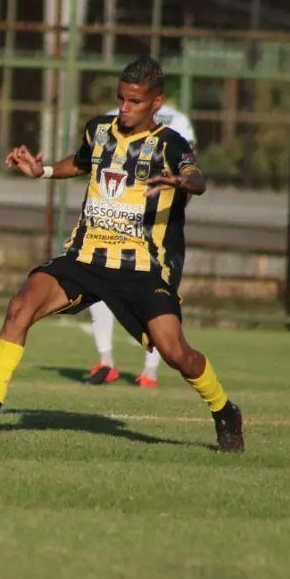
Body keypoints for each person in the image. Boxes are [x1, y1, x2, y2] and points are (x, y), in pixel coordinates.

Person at [0, 57, 244, 452]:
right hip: (85, 256)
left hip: (142, 267)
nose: (124, 108)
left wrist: (184, 181)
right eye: (121, 99)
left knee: (177, 354)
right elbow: (84, 162)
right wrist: (45, 172)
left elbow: (196, 177)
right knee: (20, 307)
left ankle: (224, 410)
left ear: (156, 102)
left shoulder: (170, 143)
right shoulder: (99, 130)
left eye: (135, 101)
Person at [84, 102, 198, 388]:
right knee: (97, 285)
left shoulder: (176, 124)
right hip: (116, 224)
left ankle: (149, 370)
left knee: (157, 299)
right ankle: (106, 361)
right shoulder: (111, 119)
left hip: (154, 230)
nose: (128, 104)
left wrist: (172, 215)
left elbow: (188, 174)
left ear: (155, 97)